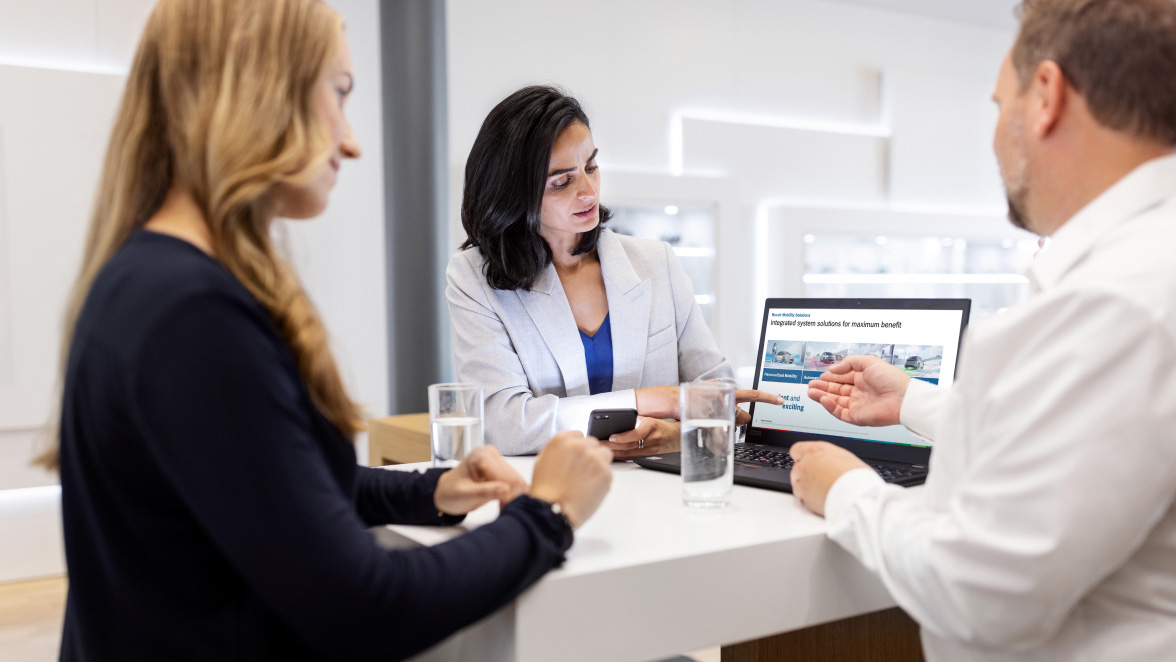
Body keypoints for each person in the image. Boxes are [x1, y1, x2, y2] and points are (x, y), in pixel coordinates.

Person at [44, 2, 615, 660]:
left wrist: (432, 489)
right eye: (338, 94)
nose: (351, 141)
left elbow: (281, 494)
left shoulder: (148, 282)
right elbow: (366, 605)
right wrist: (548, 515)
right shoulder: (194, 318)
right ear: (254, 88)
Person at [791, 1, 1176, 660]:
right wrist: (911, 400)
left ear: (1047, 96)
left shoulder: (1116, 301)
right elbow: (1087, 442)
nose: (996, 136)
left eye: (1000, 106)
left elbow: (978, 595)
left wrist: (847, 490)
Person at [446, 86, 782, 457]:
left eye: (590, 167)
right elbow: (505, 423)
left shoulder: (657, 263)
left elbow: (719, 395)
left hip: (657, 490)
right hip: (548, 493)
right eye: (562, 181)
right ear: (512, 192)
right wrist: (655, 401)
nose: (589, 192)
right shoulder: (473, 277)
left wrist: (678, 437)